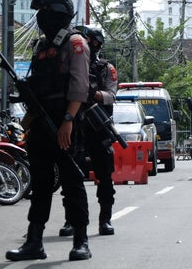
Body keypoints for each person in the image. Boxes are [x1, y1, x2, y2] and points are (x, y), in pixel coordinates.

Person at [6, 0, 92, 262]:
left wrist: (68, 120)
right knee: (41, 184)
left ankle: (81, 241)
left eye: (45, 13)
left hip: (65, 120)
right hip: (41, 123)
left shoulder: (76, 43)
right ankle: (34, 242)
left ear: (58, 16)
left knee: (72, 181)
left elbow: (80, 87)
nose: (41, 19)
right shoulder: (42, 45)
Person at [58, 25, 118, 237]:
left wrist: (94, 94)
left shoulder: (105, 68)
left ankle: (105, 220)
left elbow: (112, 95)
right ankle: (70, 220)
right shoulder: (69, 65)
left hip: (98, 124)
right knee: (71, 175)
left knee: (105, 174)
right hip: (75, 124)